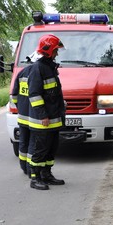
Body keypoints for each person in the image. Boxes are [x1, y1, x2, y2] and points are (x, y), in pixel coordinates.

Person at [25, 34, 67, 190]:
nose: (57, 53)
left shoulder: (50, 66)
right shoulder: (38, 68)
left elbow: (52, 93)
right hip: (43, 120)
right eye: (56, 50)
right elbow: (34, 95)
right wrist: (43, 115)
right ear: (48, 50)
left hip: (53, 118)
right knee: (40, 150)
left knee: (51, 148)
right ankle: (35, 178)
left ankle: (46, 175)